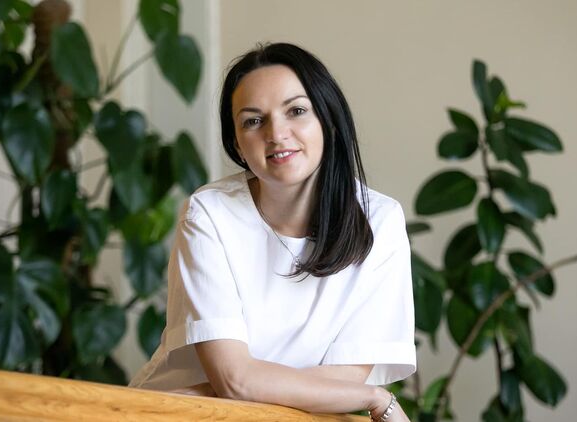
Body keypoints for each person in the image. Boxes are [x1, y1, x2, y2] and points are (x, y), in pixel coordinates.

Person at [129, 42, 416, 421]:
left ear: (329, 120)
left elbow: (343, 378)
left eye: (296, 111)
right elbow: (235, 379)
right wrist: (375, 397)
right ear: (237, 143)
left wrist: (237, 386)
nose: (277, 133)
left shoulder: (380, 221)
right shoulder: (210, 213)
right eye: (253, 121)